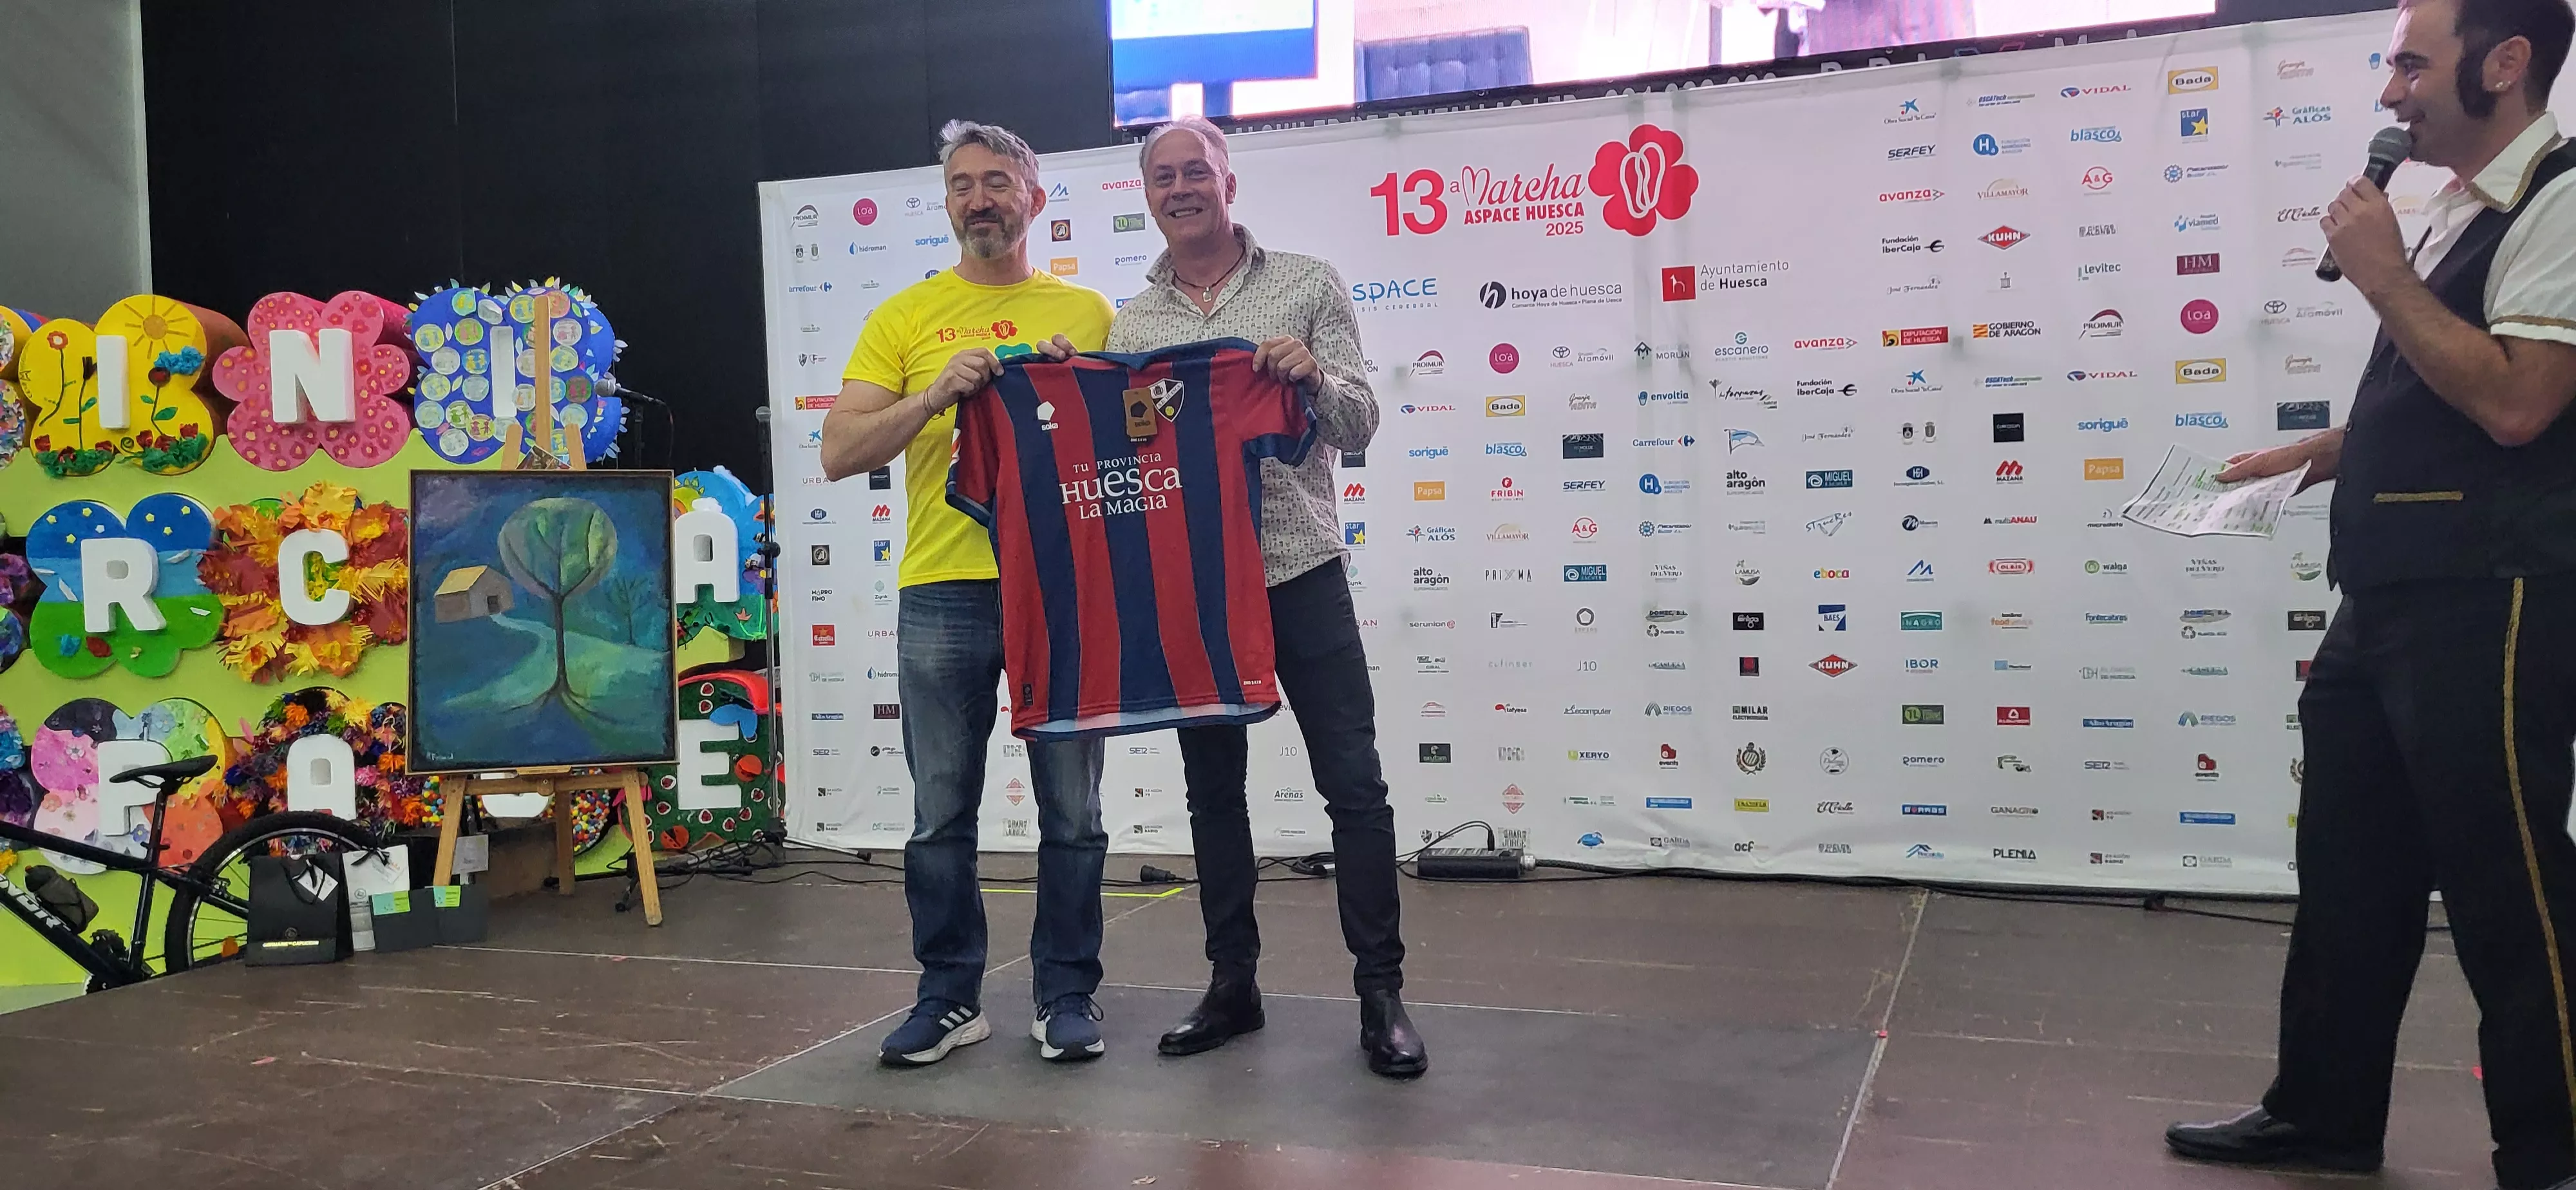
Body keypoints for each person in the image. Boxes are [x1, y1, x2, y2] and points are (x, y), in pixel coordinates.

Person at [2164, 3, 2576, 1187]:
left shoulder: (2560, 199)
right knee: (2350, 871)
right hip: (2388, 588)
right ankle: (2324, 1113)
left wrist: (2385, 275)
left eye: (2411, 65)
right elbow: (2443, 394)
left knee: (2508, 888)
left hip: (2490, 594)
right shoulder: (2461, 208)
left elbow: (2519, 404)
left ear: (2506, 62)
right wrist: (2317, 454)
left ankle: (2553, 1151)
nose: (2391, 94)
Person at [1065, 115, 1426, 1077]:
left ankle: (1381, 991)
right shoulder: (1132, 326)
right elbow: (1128, 458)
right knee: (1213, 792)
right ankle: (1234, 984)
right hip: (1197, 586)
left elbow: (1361, 422)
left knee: (1354, 783)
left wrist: (1314, 381)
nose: (1181, 188)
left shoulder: (1307, 283)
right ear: (1148, 195)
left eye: (1197, 171)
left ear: (1229, 181)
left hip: (1301, 568)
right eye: (1164, 177)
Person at [818, 120, 1115, 1066]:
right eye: (962, 185)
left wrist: (1081, 394)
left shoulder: (1092, 314)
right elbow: (839, 451)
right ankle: (949, 996)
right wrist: (932, 397)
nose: (979, 199)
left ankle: (1066, 994)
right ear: (946, 201)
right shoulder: (904, 317)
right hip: (943, 588)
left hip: (1061, 588)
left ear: (1035, 198)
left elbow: (1138, 445)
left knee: (1074, 813)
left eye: (997, 182)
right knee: (940, 814)